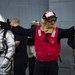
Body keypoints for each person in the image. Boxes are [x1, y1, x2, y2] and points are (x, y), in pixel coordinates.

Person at [1, 11, 75, 75]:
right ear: (45, 20)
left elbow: (69, 32)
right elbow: (23, 31)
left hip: (52, 64)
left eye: (54, 20)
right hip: (39, 63)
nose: (53, 22)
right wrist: (9, 27)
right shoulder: (36, 30)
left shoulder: (58, 32)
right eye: (50, 20)